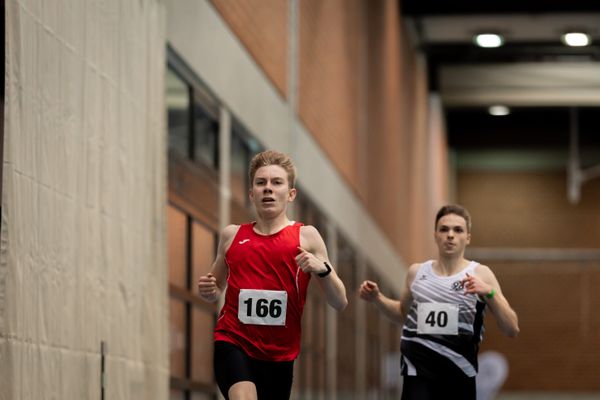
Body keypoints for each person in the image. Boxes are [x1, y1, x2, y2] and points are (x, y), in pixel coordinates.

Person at [198, 150, 348, 400]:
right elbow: (215, 288)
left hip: (279, 355)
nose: (268, 188)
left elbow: (340, 301)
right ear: (251, 193)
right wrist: (209, 290)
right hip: (233, 340)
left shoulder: (306, 236)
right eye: (261, 182)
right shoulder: (232, 236)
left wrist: (322, 269)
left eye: (276, 182)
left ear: (291, 194)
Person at [358, 204, 519, 400]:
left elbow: (511, 328)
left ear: (467, 237)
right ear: (435, 235)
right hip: (417, 375)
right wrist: (377, 298)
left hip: (458, 376)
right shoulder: (416, 273)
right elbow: (402, 313)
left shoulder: (480, 274)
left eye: (458, 230)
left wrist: (490, 293)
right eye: (444, 229)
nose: (450, 235)